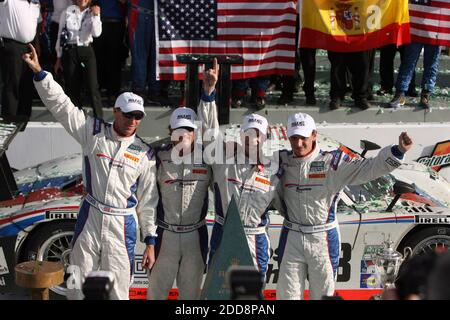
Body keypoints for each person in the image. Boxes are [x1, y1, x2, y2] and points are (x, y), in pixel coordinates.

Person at [23, 44, 159, 300]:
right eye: (128, 115)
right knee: (77, 282)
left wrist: (150, 241)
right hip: (92, 215)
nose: (132, 121)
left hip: (123, 223)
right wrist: (41, 73)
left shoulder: (145, 153)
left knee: (119, 289)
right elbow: (62, 106)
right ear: (116, 112)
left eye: (138, 116)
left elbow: (149, 201)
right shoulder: (93, 131)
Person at [275, 112, 413, 300]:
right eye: (294, 138)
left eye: (303, 138)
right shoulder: (280, 160)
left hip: (321, 237)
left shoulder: (333, 162)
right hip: (291, 235)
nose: (298, 144)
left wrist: (397, 152)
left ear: (314, 134)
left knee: (323, 296)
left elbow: (369, 168)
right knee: (286, 296)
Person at [199, 60, 282, 278]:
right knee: (216, 293)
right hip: (223, 233)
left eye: (258, 135)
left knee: (253, 298)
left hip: (255, 239)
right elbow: (209, 131)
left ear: (264, 138)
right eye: (248, 133)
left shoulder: (275, 169)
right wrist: (209, 93)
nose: (252, 139)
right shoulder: (223, 158)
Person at [146, 107, 211, 300]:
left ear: (195, 132)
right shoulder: (157, 157)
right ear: (170, 131)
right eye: (178, 129)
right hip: (164, 237)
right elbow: (147, 199)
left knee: (191, 298)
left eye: (188, 130)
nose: (183, 135)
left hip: (195, 237)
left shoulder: (208, 159)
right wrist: (149, 241)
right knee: (156, 295)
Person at [54, 0, 104, 117]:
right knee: (72, 87)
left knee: (92, 87)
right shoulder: (67, 12)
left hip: (86, 49)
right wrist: (58, 57)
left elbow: (97, 33)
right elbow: (60, 35)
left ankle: (99, 119)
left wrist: (96, 16)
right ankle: (76, 118)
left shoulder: (93, 12)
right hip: (70, 51)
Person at [0, 0, 40, 120]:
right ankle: (9, 121)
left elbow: (34, 25)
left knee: (26, 85)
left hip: (29, 47)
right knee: (12, 85)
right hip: (11, 46)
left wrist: (37, 46)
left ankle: (22, 122)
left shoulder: (35, 3)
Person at [128, 0, 170, 106]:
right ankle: (138, 91)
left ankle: (155, 91)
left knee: (157, 56)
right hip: (139, 15)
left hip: (160, 17)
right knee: (139, 55)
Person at [93, 0, 127, 106]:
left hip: (116, 23)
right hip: (98, 21)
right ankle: (100, 90)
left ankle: (113, 92)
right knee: (98, 58)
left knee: (114, 59)